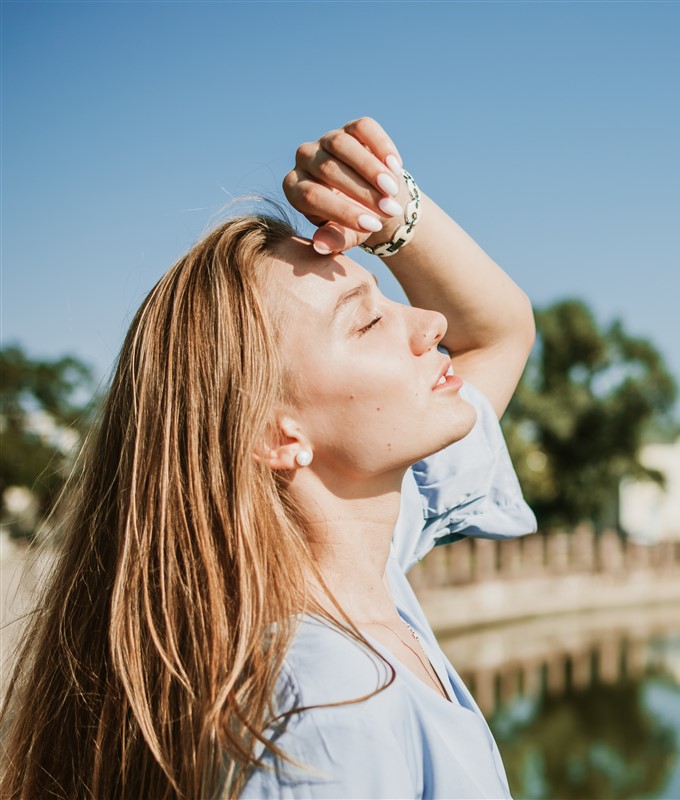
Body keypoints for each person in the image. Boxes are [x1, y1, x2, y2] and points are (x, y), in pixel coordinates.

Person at [0, 117, 537, 799]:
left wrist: (392, 211)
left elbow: (501, 332)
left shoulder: (361, 572)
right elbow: (496, 334)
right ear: (277, 437)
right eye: (368, 320)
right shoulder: (327, 713)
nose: (429, 325)